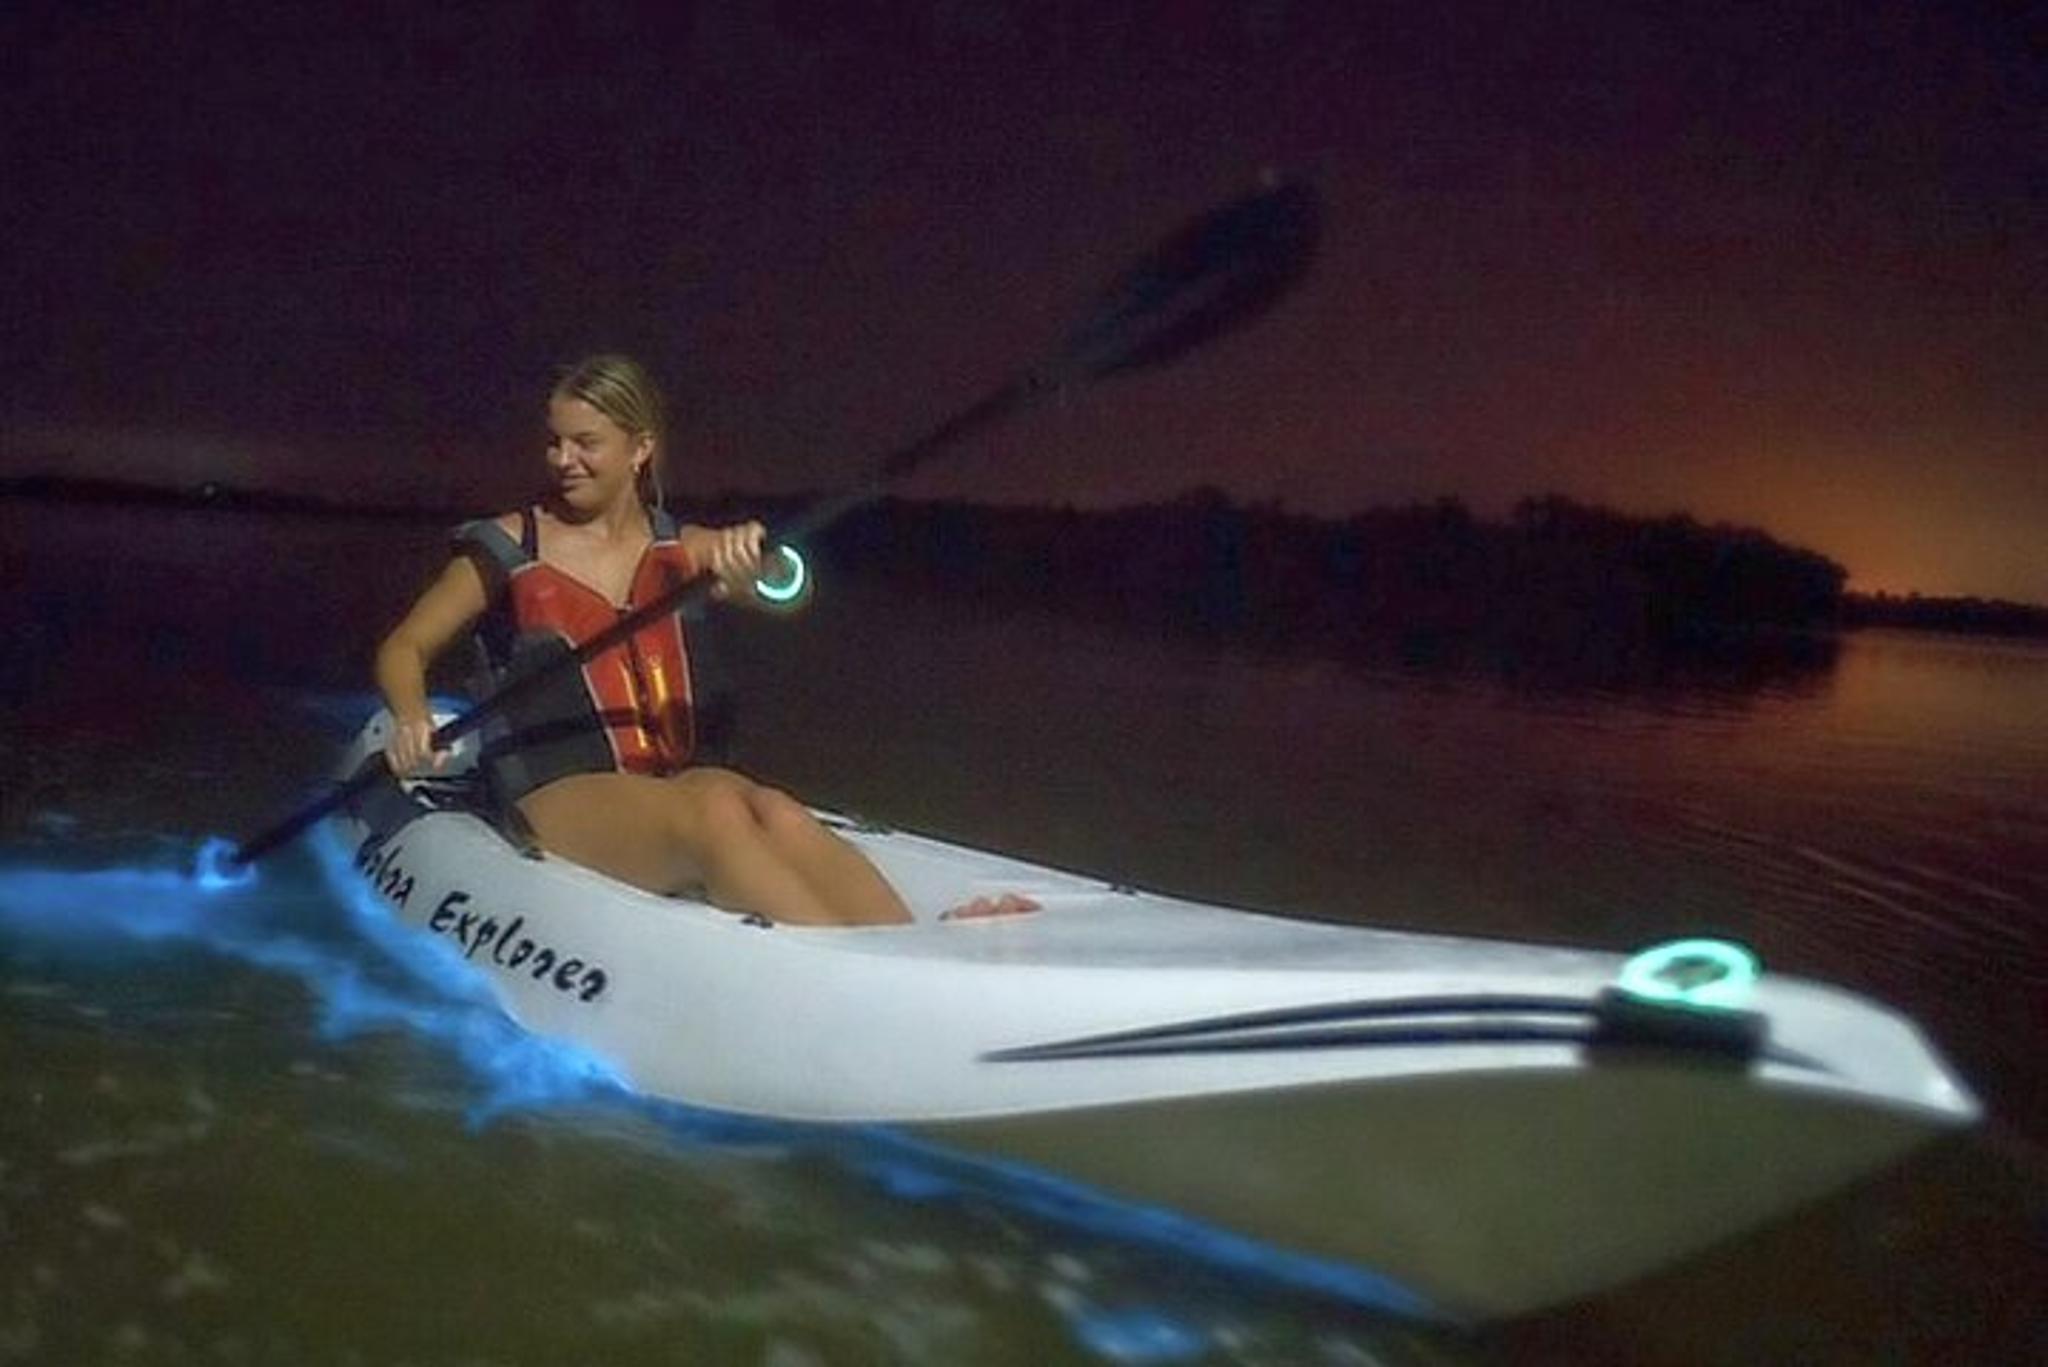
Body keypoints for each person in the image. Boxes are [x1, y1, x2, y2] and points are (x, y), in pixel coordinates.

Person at [372, 354, 925, 926]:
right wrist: (412, 717)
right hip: (558, 789)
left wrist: (759, 567)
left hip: (676, 779)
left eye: (586, 443)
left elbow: (789, 588)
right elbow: (404, 648)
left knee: (774, 809)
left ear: (640, 449)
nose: (564, 460)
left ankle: (908, 943)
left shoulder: (682, 550)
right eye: (556, 443)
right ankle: (845, 963)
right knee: (711, 814)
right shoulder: (509, 548)